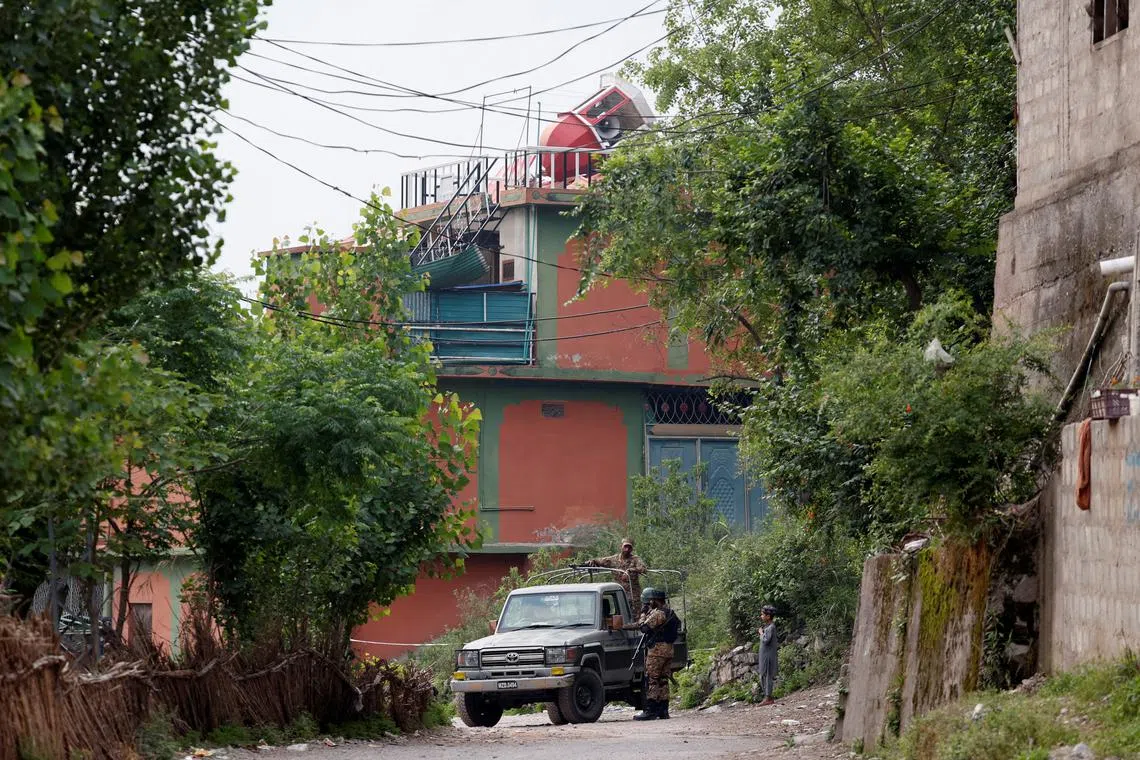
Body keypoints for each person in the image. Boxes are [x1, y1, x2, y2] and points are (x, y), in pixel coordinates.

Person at [626, 587, 681, 720]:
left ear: (654, 601)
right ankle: (663, 710)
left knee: (651, 679)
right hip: (668, 650)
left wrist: (643, 613)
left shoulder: (658, 614)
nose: (647, 604)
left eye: (648, 602)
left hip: (657, 651)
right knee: (663, 680)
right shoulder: (670, 612)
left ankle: (650, 710)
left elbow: (643, 627)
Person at [584, 537, 648, 615]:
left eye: (629, 547)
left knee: (635, 616)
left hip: (633, 595)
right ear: (621, 546)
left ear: (632, 549)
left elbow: (644, 569)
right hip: (618, 593)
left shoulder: (635, 559)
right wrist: (592, 561)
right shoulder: (613, 559)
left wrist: (631, 570)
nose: (627, 549)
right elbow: (599, 561)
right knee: (620, 615)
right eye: (625, 546)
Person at [756, 604, 779, 705]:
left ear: (768, 616)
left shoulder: (771, 627)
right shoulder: (768, 627)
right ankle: (767, 696)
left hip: (768, 656)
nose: (761, 616)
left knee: (767, 676)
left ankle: (768, 697)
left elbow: (766, 640)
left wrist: (761, 633)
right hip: (765, 655)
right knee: (763, 675)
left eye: (762, 614)